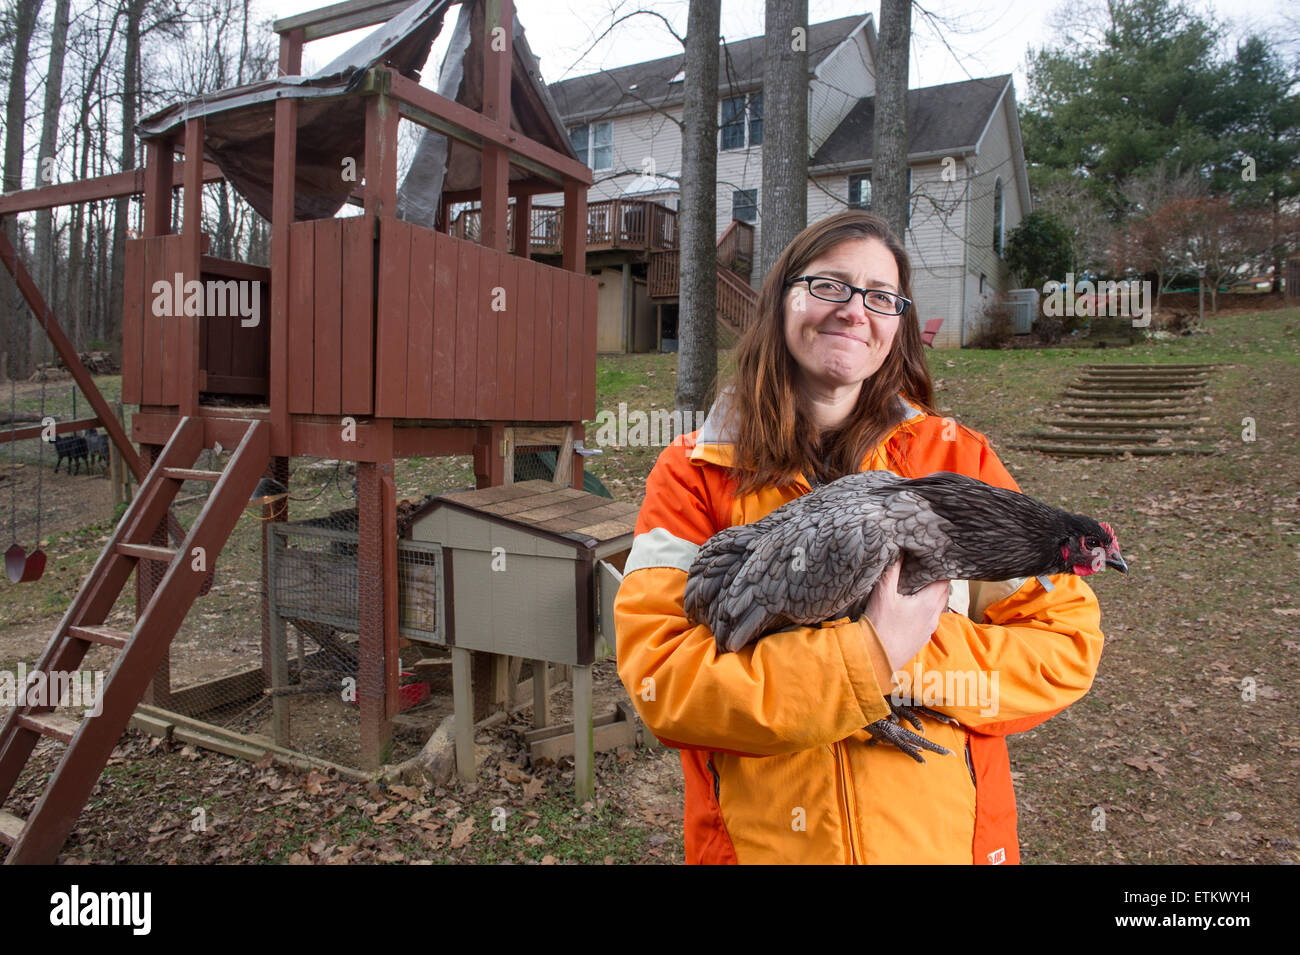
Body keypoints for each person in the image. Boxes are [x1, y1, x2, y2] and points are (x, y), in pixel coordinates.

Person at [613, 210, 1105, 864]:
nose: (853, 310)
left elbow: (1065, 646)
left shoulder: (955, 459)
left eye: (880, 296)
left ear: (897, 325)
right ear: (782, 298)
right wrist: (864, 655)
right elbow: (662, 681)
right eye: (828, 286)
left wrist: (911, 656)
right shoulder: (694, 471)